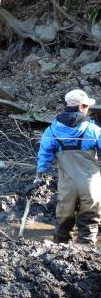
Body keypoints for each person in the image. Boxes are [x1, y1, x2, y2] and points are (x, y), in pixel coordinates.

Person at [33, 89, 101, 245]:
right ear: (81, 107)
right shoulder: (93, 129)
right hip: (91, 185)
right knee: (89, 224)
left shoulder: (51, 130)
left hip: (67, 185)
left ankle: (60, 255)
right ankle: (85, 254)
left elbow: (44, 157)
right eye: (86, 106)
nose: (88, 109)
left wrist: (38, 178)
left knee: (64, 224)